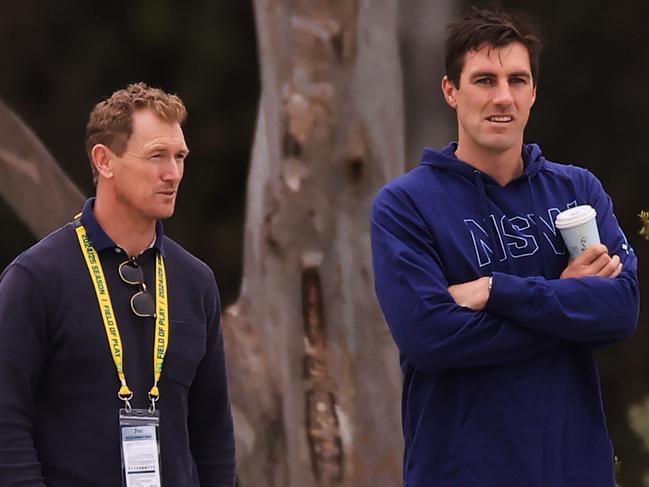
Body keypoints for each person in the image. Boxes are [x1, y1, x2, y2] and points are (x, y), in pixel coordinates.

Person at [371, 7, 639, 487]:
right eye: (484, 80)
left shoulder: (578, 192)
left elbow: (620, 310)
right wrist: (565, 301)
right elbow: (429, 338)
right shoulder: (405, 206)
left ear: (533, 92)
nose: (502, 97)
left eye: (517, 80)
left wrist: (496, 291)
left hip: (575, 473)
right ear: (450, 91)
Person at [0, 83, 236, 486]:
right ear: (104, 161)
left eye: (180, 157)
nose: (173, 173)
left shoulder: (196, 281)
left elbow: (213, 432)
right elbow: (6, 420)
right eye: (157, 156)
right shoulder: (35, 278)